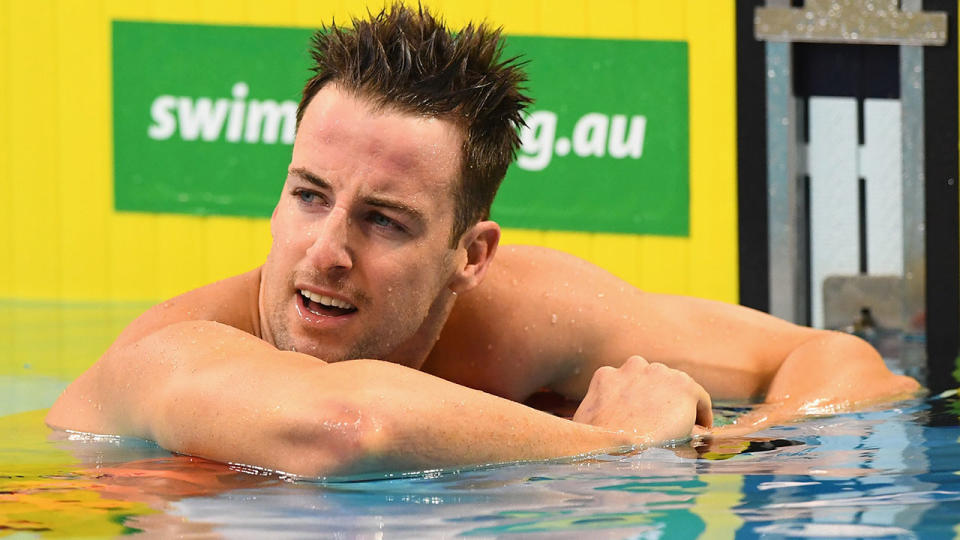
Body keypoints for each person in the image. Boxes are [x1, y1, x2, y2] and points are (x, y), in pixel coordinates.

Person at [46, 4, 919, 478]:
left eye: (384, 220)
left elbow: (851, 365)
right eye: (309, 197)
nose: (326, 252)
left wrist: (738, 445)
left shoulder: (523, 316)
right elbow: (344, 428)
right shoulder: (176, 353)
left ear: (472, 256)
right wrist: (617, 446)